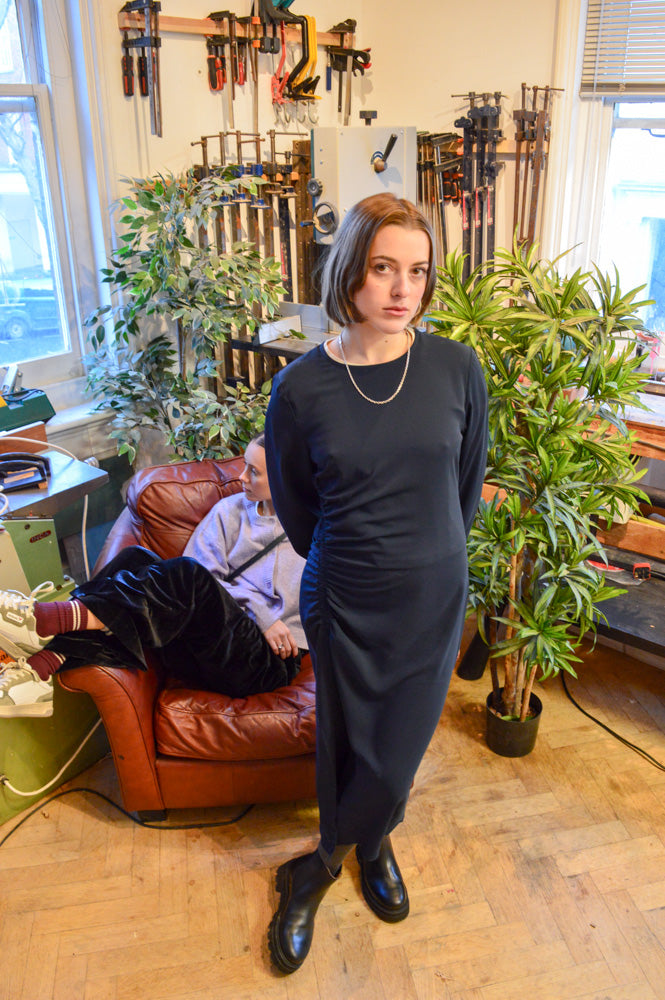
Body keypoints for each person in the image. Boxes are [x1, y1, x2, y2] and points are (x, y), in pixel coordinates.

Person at [264, 193, 488, 973]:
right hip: (344, 594)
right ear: (350, 272)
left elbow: (465, 484)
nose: (402, 289)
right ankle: (356, 849)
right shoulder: (300, 388)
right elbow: (296, 506)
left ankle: (329, 858)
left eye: (417, 272)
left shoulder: (456, 367)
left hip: (432, 593)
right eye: (384, 268)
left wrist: (432, 553)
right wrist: (359, 554)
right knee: (347, 737)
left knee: (401, 741)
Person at [0, 434, 307, 717]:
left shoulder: (313, 533)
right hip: (201, 647)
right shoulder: (230, 511)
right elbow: (202, 573)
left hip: (264, 662)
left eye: (254, 472)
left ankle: (47, 626)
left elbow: (309, 607)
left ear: (285, 477)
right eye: (244, 467)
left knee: (187, 575)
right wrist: (256, 605)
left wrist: (263, 616)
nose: (241, 478)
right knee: (134, 560)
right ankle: (39, 669)